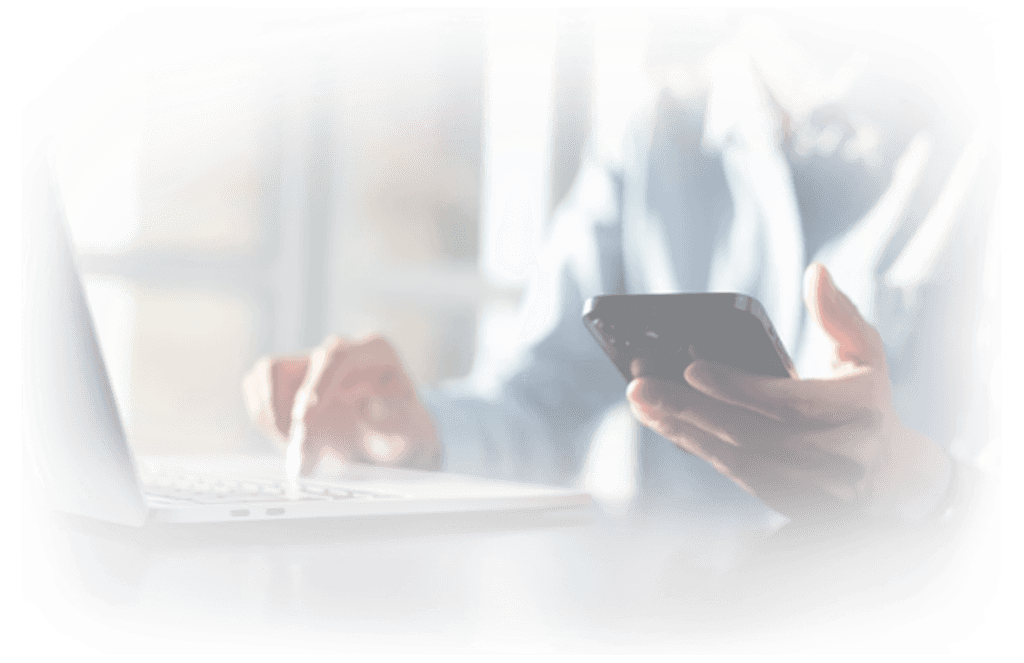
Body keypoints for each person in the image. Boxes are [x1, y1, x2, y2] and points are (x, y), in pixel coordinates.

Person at [242, 16, 996, 537]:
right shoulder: (657, 129)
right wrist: (421, 434)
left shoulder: (976, 142)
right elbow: (541, 403)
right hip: (673, 619)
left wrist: (920, 484)